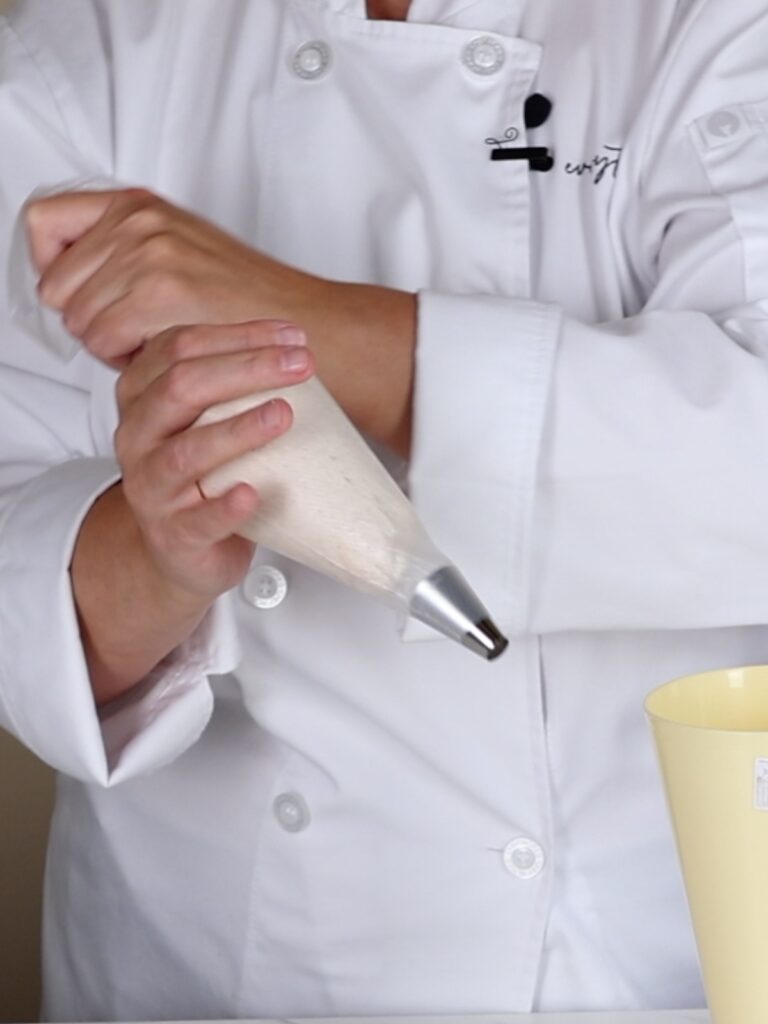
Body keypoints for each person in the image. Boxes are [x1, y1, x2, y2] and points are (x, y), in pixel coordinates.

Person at [1, 0, 767, 1019]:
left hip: (639, 966)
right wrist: (156, 555)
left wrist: (299, 319)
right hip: (212, 974)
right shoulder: (91, 41)